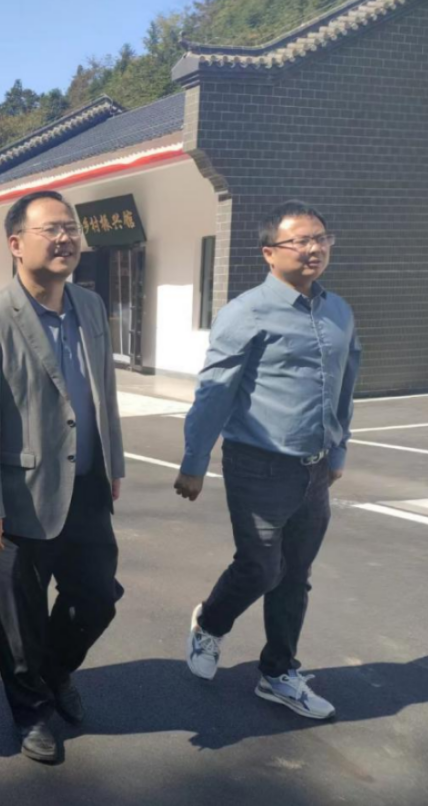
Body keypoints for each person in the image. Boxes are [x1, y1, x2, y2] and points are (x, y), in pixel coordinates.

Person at [175, 200, 361, 720]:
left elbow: (346, 383)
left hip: (315, 468)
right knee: (261, 568)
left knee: (295, 574)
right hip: (258, 465)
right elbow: (215, 391)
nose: (314, 248)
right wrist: (194, 461)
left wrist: (338, 448)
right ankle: (210, 623)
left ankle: (278, 672)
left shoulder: (338, 311)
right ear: (269, 252)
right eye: (300, 241)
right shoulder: (246, 312)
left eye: (321, 238)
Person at [0, 190, 125, 763]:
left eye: (71, 228)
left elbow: (104, 392)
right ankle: (30, 713)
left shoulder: (91, 306)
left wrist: (114, 462)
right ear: (16, 243)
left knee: (97, 598)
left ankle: (53, 674)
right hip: (18, 495)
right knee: (18, 619)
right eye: (51, 229)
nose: (66, 238)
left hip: (88, 486)